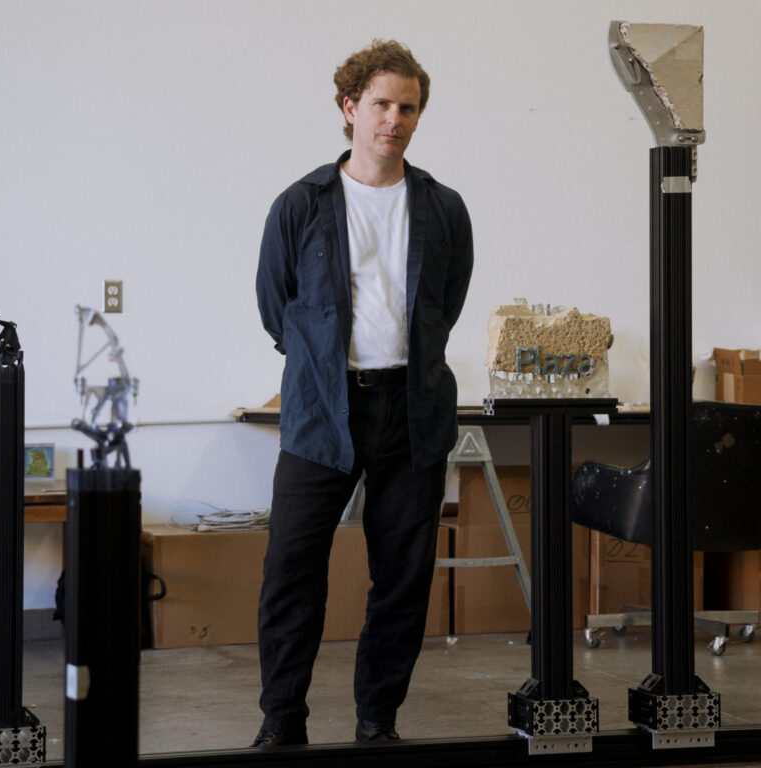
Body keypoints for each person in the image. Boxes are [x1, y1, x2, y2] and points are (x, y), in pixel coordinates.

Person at [254, 38, 473, 747]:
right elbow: (276, 306)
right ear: (350, 108)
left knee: (404, 579)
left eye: (408, 107)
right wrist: (322, 367)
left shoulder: (442, 208)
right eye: (381, 104)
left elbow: (448, 300)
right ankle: (282, 723)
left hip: (412, 410)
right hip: (323, 410)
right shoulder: (302, 203)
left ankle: (378, 722)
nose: (395, 119)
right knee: (291, 570)